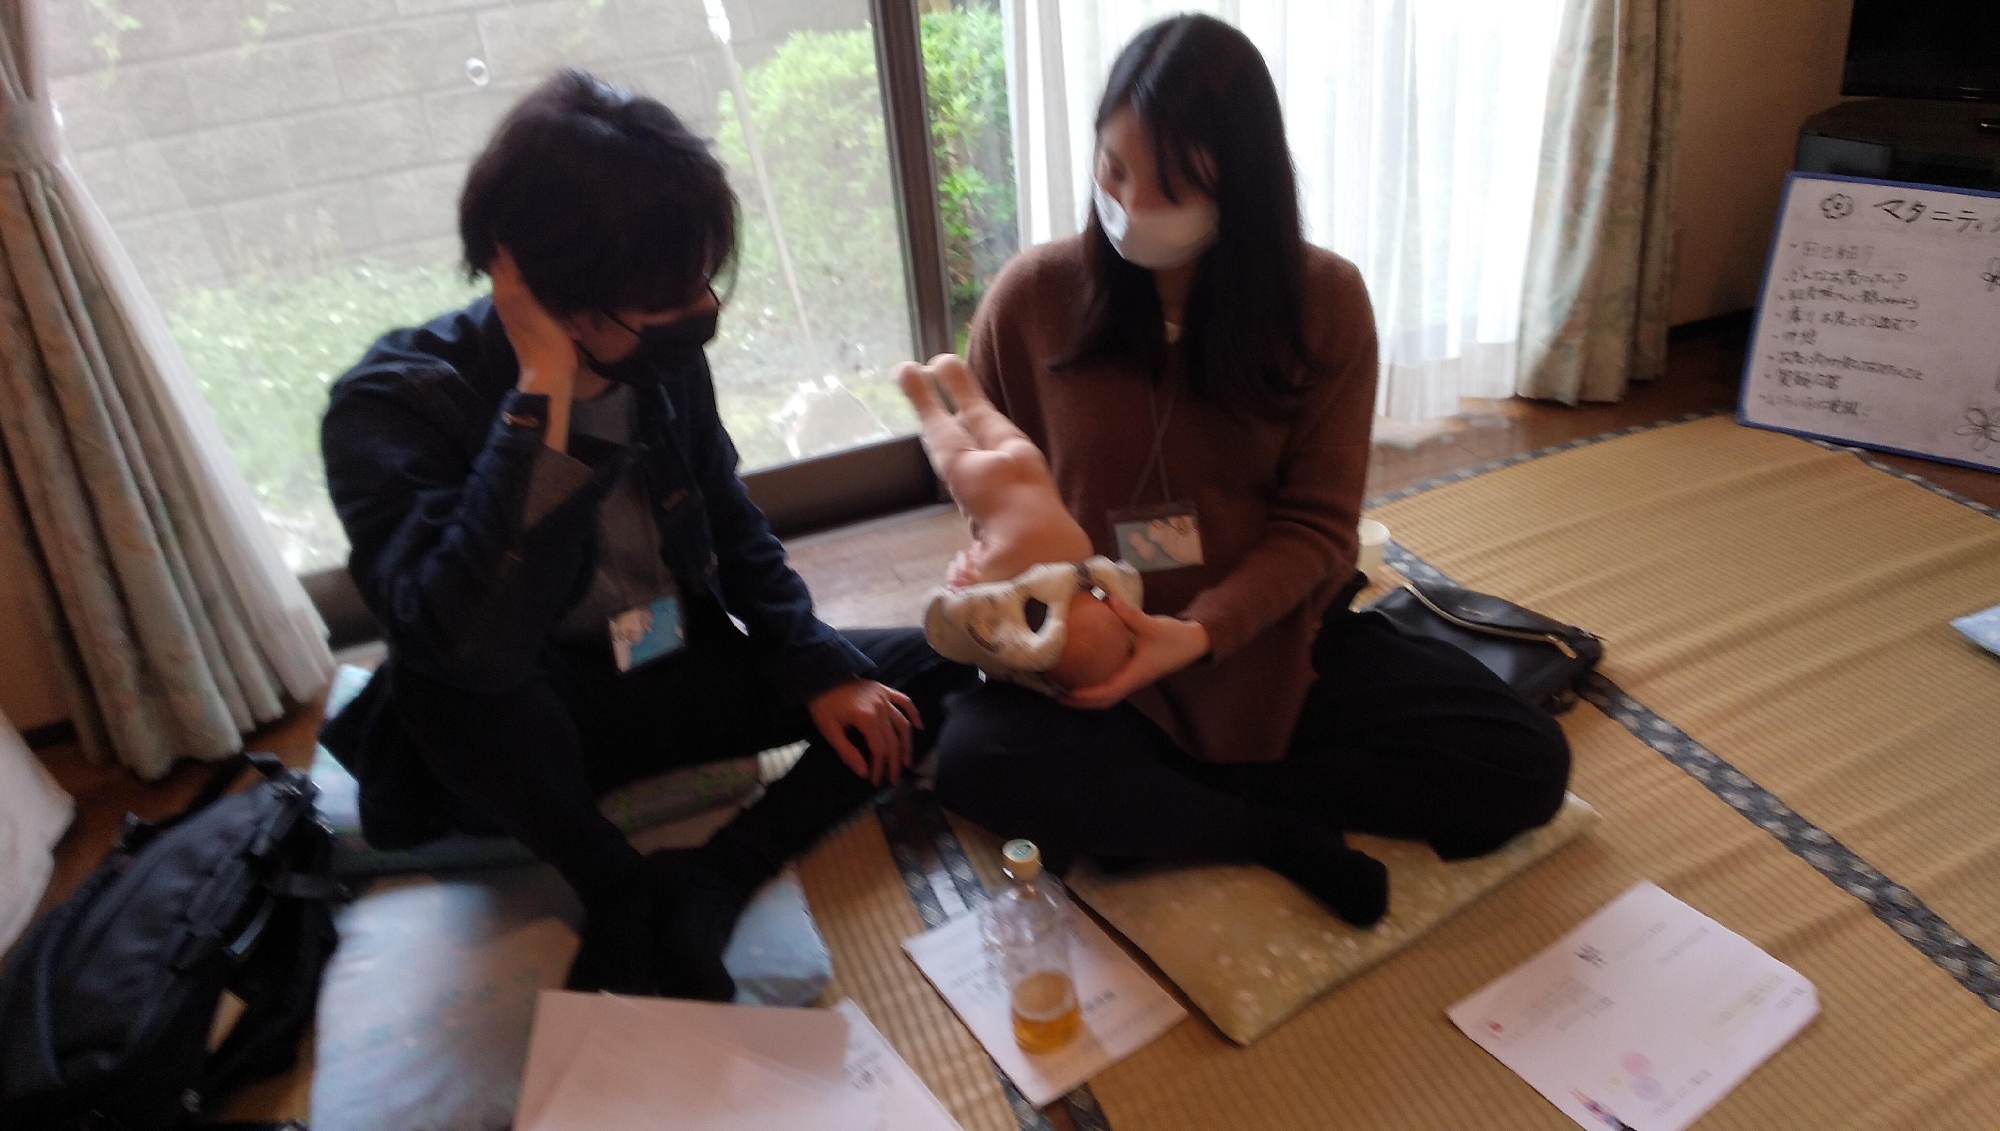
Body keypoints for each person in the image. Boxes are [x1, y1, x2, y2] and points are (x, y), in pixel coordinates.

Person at [319, 70, 974, 999]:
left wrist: (818, 665)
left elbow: (729, 518)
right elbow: (469, 643)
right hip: (529, 720)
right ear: (547, 292)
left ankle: (717, 874)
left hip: (668, 658)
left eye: (703, 278)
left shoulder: (660, 365)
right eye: (666, 294)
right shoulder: (393, 405)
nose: (700, 309)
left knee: (940, 663)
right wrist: (543, 398)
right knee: (439, 673)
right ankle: (616, 886)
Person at [928, 15, 1571, 928]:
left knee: (1526, 764)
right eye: (1113, 169)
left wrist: (1197, 633)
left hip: (1271, 645)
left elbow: (1317, 527)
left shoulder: (1324, 302)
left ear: (1243, 183)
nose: (1131, 204)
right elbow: (1004, 512)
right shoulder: (1030, 300)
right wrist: (1026, 588)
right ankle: (1266, 828)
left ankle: (1173, 809)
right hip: (1098, 657)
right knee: (974, 760)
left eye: (1173, 185)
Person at [898, 357, 1137, 694]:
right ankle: (921, 397)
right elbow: (962, 585)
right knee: (950, 452)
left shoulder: (1084, 555)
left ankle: (959, 382)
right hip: (980, 483)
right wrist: (963, 579)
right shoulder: (1002, 580)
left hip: (1029, 463)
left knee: (981, 410)